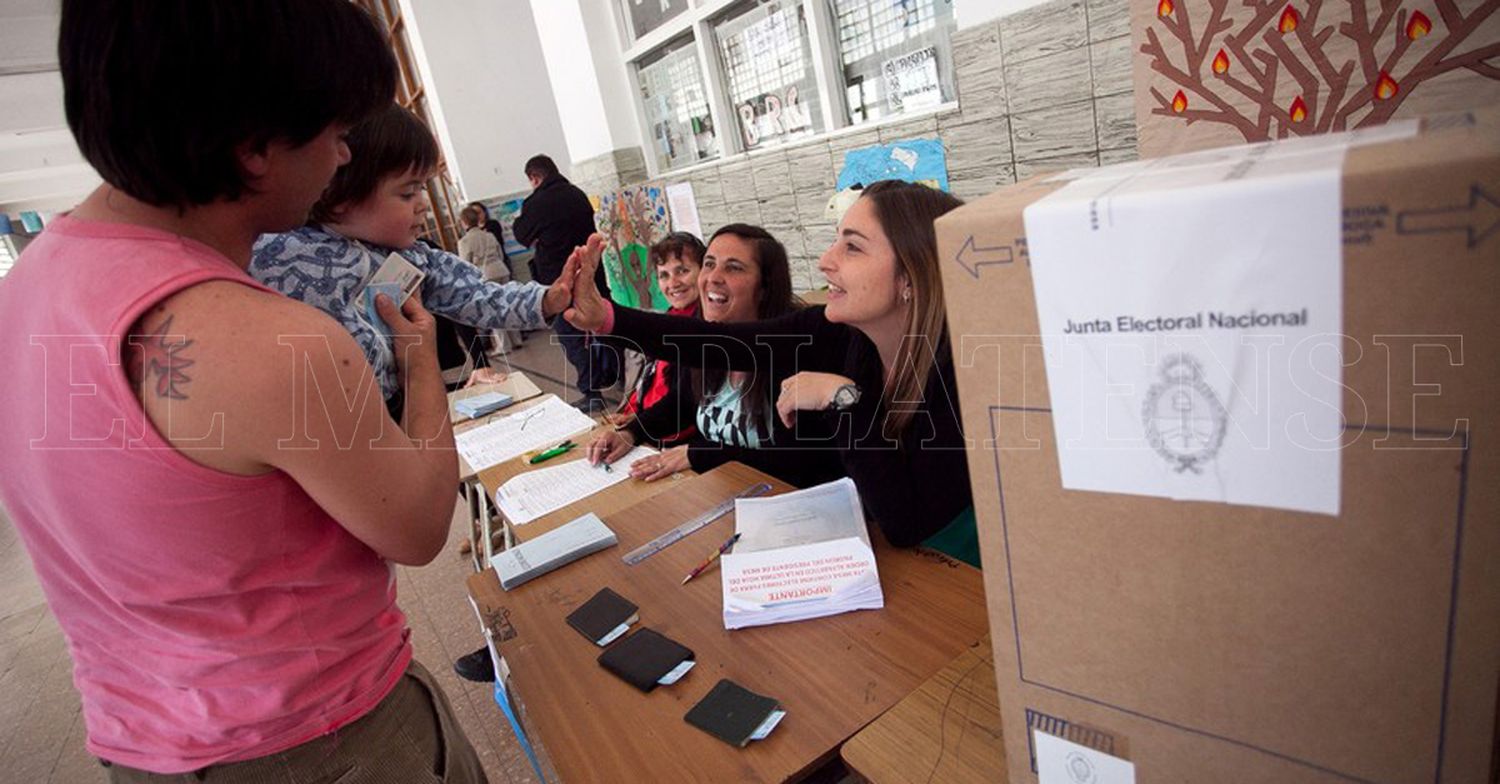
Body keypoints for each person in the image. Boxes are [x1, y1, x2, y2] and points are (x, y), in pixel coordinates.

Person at [0, 2, 491, 782]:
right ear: (256, 143)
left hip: (139, 741)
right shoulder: (267, 344)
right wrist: (420, 357)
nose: (341, 155)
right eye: (335, 129)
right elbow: (421, 523)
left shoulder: (23, 295)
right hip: (324, 745)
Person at [565, 180, 978, 566]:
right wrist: (607, 319)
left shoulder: (959, 373)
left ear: (910, 276)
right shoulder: (838, 334)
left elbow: (905, 524)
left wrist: (842, 398)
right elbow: (717, 343)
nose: (825, 261)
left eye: (852, 248)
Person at [251, 105, 575, 420]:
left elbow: (477, 295)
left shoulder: (411, 255)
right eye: (408, 194)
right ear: (338, 192)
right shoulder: (274, 252)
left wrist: (549, 297)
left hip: (393, 419)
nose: (422, 204)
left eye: (423, 188)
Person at [587, 225, 849, 489]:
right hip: (720, 495)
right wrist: (631, 432)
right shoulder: (705, 346)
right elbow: (683, 402)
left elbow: (806, 463)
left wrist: (699, 453)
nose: (713, 277)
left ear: (765, 286)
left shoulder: (796, 348)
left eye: (733, 267)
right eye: (709, 264)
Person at [512, 154, 619, 411]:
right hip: (593, 277)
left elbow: (521, 234)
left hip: (560, 283)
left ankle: (591, 392)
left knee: (573, 337)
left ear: (534, 178)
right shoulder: (576, 194)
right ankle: (617, 376)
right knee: (606, 328)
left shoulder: (537, 202)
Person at [604, 231, 706, 443]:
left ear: (703, 272)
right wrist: (634, 415)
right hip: (649, 425)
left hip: (677, 437)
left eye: (683, 271)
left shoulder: (704, 325)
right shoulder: (667, 318)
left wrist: (640, 426)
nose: (673, 283)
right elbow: (650, 381)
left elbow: (686, 402)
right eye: (664, 275)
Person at [458, 203, 522, 353]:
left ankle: (503, 345)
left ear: (464, 222)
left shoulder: (464, 242)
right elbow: (500, 254)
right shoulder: (489, 235)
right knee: (507, 305)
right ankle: (516, 339)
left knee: (492, 310)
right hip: (501, 269)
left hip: (485, 275)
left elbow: (465, 265)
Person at [466, 200, 512, 277]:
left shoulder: (493, 224)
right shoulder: (470, 232)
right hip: (482, 270)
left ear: (484, 212)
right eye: (473, 214)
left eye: (479, 212)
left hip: (499, 263)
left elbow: (499, 243)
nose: (477, 216)